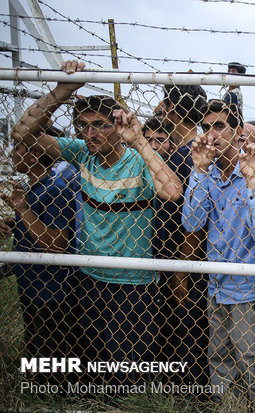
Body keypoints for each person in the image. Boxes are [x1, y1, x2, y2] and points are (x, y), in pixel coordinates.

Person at [11, 60, 183, 385]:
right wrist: (63, 90)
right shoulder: (81, 153)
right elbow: (22, 134)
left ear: (116, 128)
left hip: (133, 282)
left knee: (129, 365)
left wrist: (140, 141)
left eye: (100, 125)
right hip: (89, 275)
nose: (90, 133)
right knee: (94, 360)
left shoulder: (137, 160)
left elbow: (172, 191)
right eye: (84, 125)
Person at [174, 99, 255, 404]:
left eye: (219, 126)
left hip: (249, 287)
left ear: (237, 132)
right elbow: (192, 222)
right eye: (206, 127)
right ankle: (230, 407)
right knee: (220, 358)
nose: (211, 134)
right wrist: (197, 170)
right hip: (216, 286)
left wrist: (250, 183)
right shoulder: (206, 174)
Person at [0, 136, 78, 386]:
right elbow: (35, 227)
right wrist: (14, 223)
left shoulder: (55, 190)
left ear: (33, 155)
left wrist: (22, 209)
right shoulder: (36, 187)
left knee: (50, 352)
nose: (12, 153)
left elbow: (56, 243)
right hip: (32, 284)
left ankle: (55, 395)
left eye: (18, 147)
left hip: (50, 290)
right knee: (35, 346)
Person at [159, 84, 208, 385]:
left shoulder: (189, 156)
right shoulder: (185, 151)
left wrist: (181, 272)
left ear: (169, 107)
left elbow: (195, 224)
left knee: (186, 331)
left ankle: (192, 391)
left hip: (185, 263)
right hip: (178, 259)